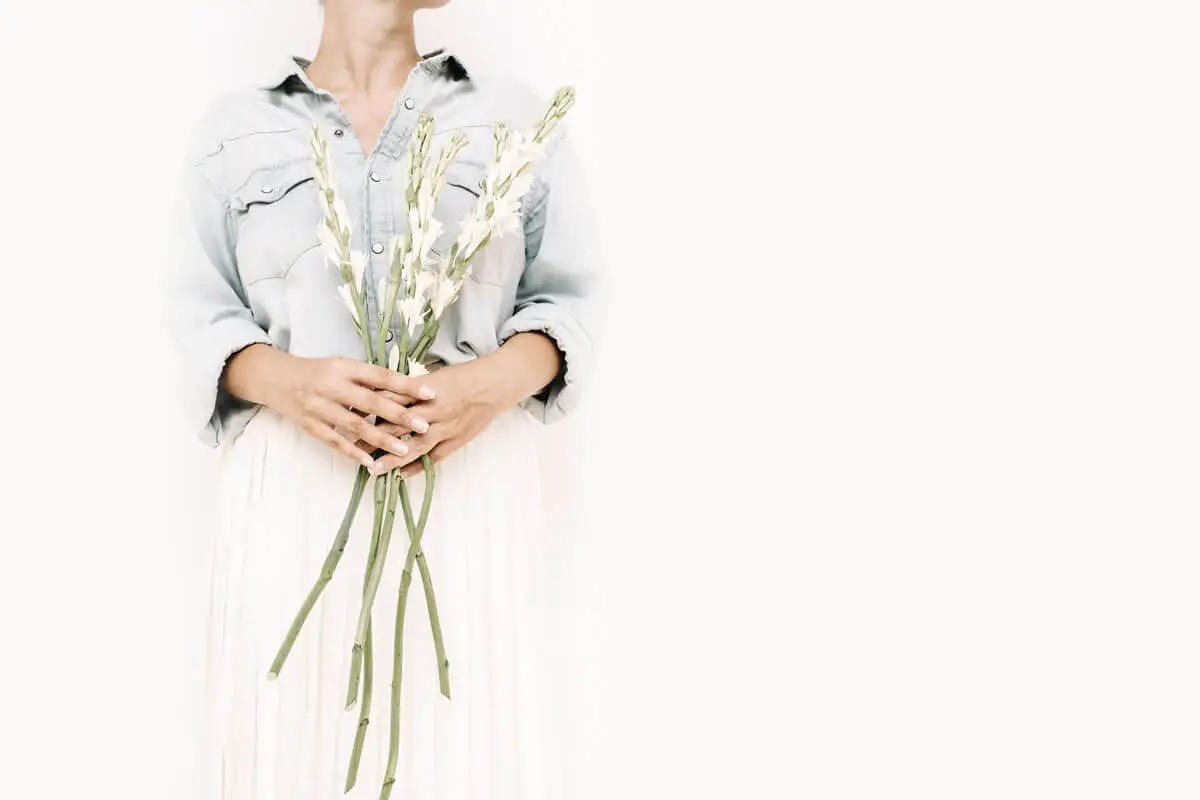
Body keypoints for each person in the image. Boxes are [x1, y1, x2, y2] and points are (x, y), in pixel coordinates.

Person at [166, 1, 598, 797]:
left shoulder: (515, 119)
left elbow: (575, 302)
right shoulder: (234, 130)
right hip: (290, 499)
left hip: (463, 489)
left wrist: (484, 386)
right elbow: (194, 315)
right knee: (290, 750)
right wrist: (286, 381)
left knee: (459, 753)